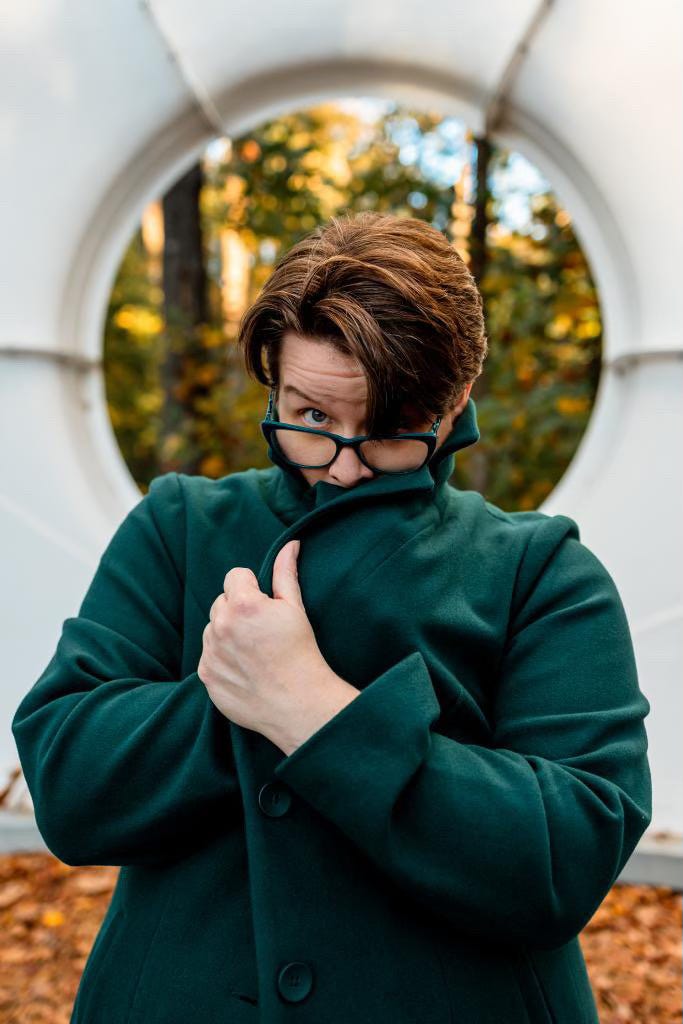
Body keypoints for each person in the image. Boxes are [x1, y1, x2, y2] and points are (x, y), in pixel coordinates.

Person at [12, 211, 652, 1024]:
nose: (344, 468)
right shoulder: (180, 527)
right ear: (272, 378)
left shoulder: (541, 570)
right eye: (310, 417)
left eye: (388, 430)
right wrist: (234, 697)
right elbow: (69, 782)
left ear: (453, 403)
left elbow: (567, 854)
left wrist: (313, 707)